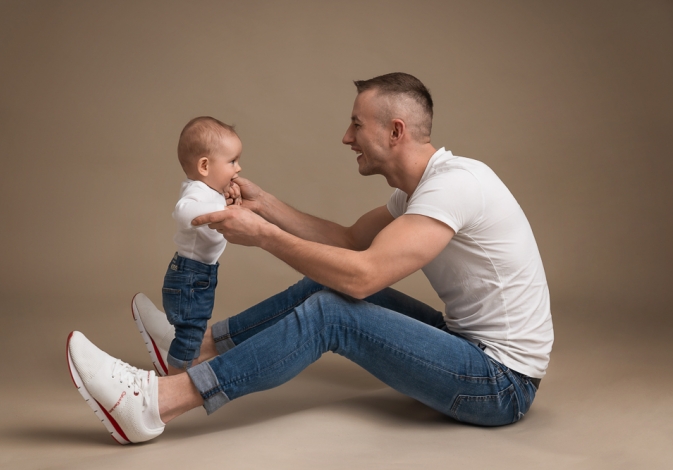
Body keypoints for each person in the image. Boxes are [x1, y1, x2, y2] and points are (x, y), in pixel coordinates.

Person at [66, 72, 553, 445]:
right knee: (327, 285)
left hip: (501, 383)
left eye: (356, 124)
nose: (346, 137)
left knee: (333, 312)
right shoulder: (419, 192)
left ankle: (156, 404)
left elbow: (362, 277)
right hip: (465, 345)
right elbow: (347, 241)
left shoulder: (454, 187)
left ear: (396, 131)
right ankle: (198, 349)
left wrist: (263, 236)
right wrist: (266, 206)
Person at [134, 116, 243, 377]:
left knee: (193, 329)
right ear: (204, 166)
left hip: (197, 274)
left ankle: (176, 363)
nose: (238, 168)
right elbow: (184, 211)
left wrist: (229, 202)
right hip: (190, 276)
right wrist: (222, 209)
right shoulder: (196, 191)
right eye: (232, 161)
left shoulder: (210, 191)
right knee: (191, 333)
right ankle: (175, 381)